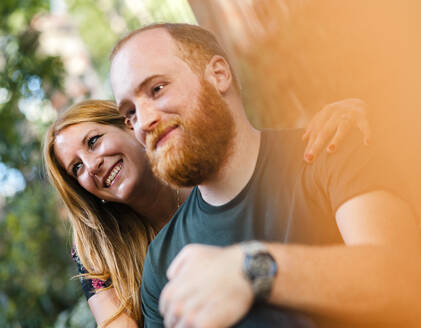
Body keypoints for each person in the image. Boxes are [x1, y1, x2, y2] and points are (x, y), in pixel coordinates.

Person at [107, 23, 421, 328]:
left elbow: (399, 279)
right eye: (130, 113)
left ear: (218, 75)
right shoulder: (161, 263)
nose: (145, 120)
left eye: (156, 89)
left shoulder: (330, 148)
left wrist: (253, 268)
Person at [43, 96, 370, 326]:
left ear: (130, 126)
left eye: (94, 141)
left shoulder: (202, 169)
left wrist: (343, 115)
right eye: (77, 169)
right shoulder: (95, 247)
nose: (92, 164)